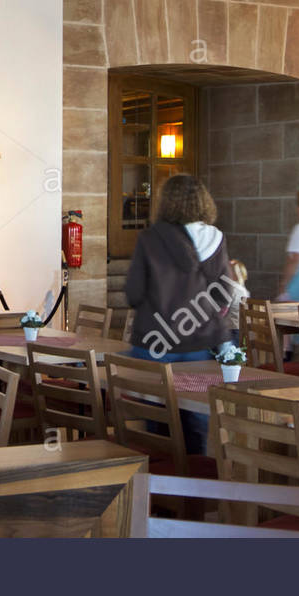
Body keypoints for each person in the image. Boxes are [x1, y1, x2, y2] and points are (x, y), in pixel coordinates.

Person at [124, 175, 233, 455]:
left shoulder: (150, 239)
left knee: (157, 423)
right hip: (199, 342)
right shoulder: (216, 238)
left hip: (155, 343)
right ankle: (194, 484)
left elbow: (134, 293)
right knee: (198, 420)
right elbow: (223, 294)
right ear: (203, 202)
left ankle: (159, 486)